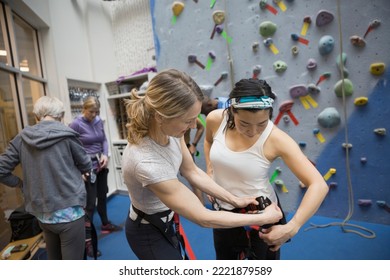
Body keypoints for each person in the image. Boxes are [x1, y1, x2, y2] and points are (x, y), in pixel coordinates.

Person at [121, 68, 282, 260]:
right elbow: (203, 217)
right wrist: (263, 218)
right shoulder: (146, 162)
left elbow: (192, 172)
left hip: (167, 219)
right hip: (147, 231)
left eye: (195, 118)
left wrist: (234, 200)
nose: (193, 126)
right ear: (161, 116)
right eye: (188, 120)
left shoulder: (170, 132)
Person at [204, 78, 329, 260]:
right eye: (244, 124)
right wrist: (210, 170)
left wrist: (292, 226)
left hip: (262, 216)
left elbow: (319, 184)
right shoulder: (216, 119)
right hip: (223, 211)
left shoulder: (277, 139)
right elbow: (208, 142)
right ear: (232, 110)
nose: (253, 131)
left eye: (261, 124)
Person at [0, 96, 92, 260]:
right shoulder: (68, 136)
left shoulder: (21, 139)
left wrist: (21, 184)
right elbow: (86, 164)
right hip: (70, 212)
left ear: (36, 116)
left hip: (43, 216)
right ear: (61, 115)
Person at [69, 96, 121, 258]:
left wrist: (105, 154)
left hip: (101, 165)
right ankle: (88, 242)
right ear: (84, 109)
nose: (94, 115)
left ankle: (105, 223)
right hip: (87, 168)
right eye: (91, 112)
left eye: (96, 112)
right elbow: (70, 147)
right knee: (90, 204)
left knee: (102, 195)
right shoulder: (76, 124)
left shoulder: (98, 121)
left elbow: (104, 140)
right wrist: (79, 169)